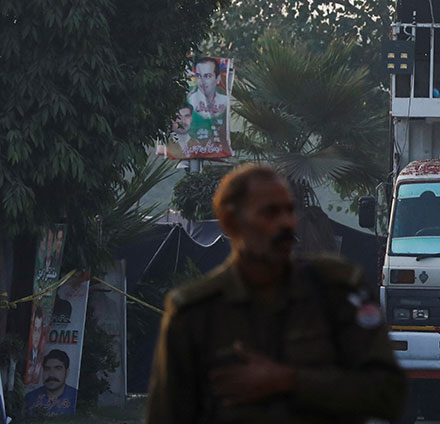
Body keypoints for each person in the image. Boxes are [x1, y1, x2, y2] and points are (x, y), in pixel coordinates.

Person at [146, 164, 406, 424]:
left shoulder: (337, 291)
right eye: (269, 212)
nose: (285, 223)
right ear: (230, 222)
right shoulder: (194, 312)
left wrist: (287, 380)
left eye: (288, 211)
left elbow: (388, 396)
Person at [24, 350, 79, 416]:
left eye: (58, 368)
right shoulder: (30, 397)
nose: (51, 374)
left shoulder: (75, 396)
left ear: (66, 372)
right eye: (47, 369)